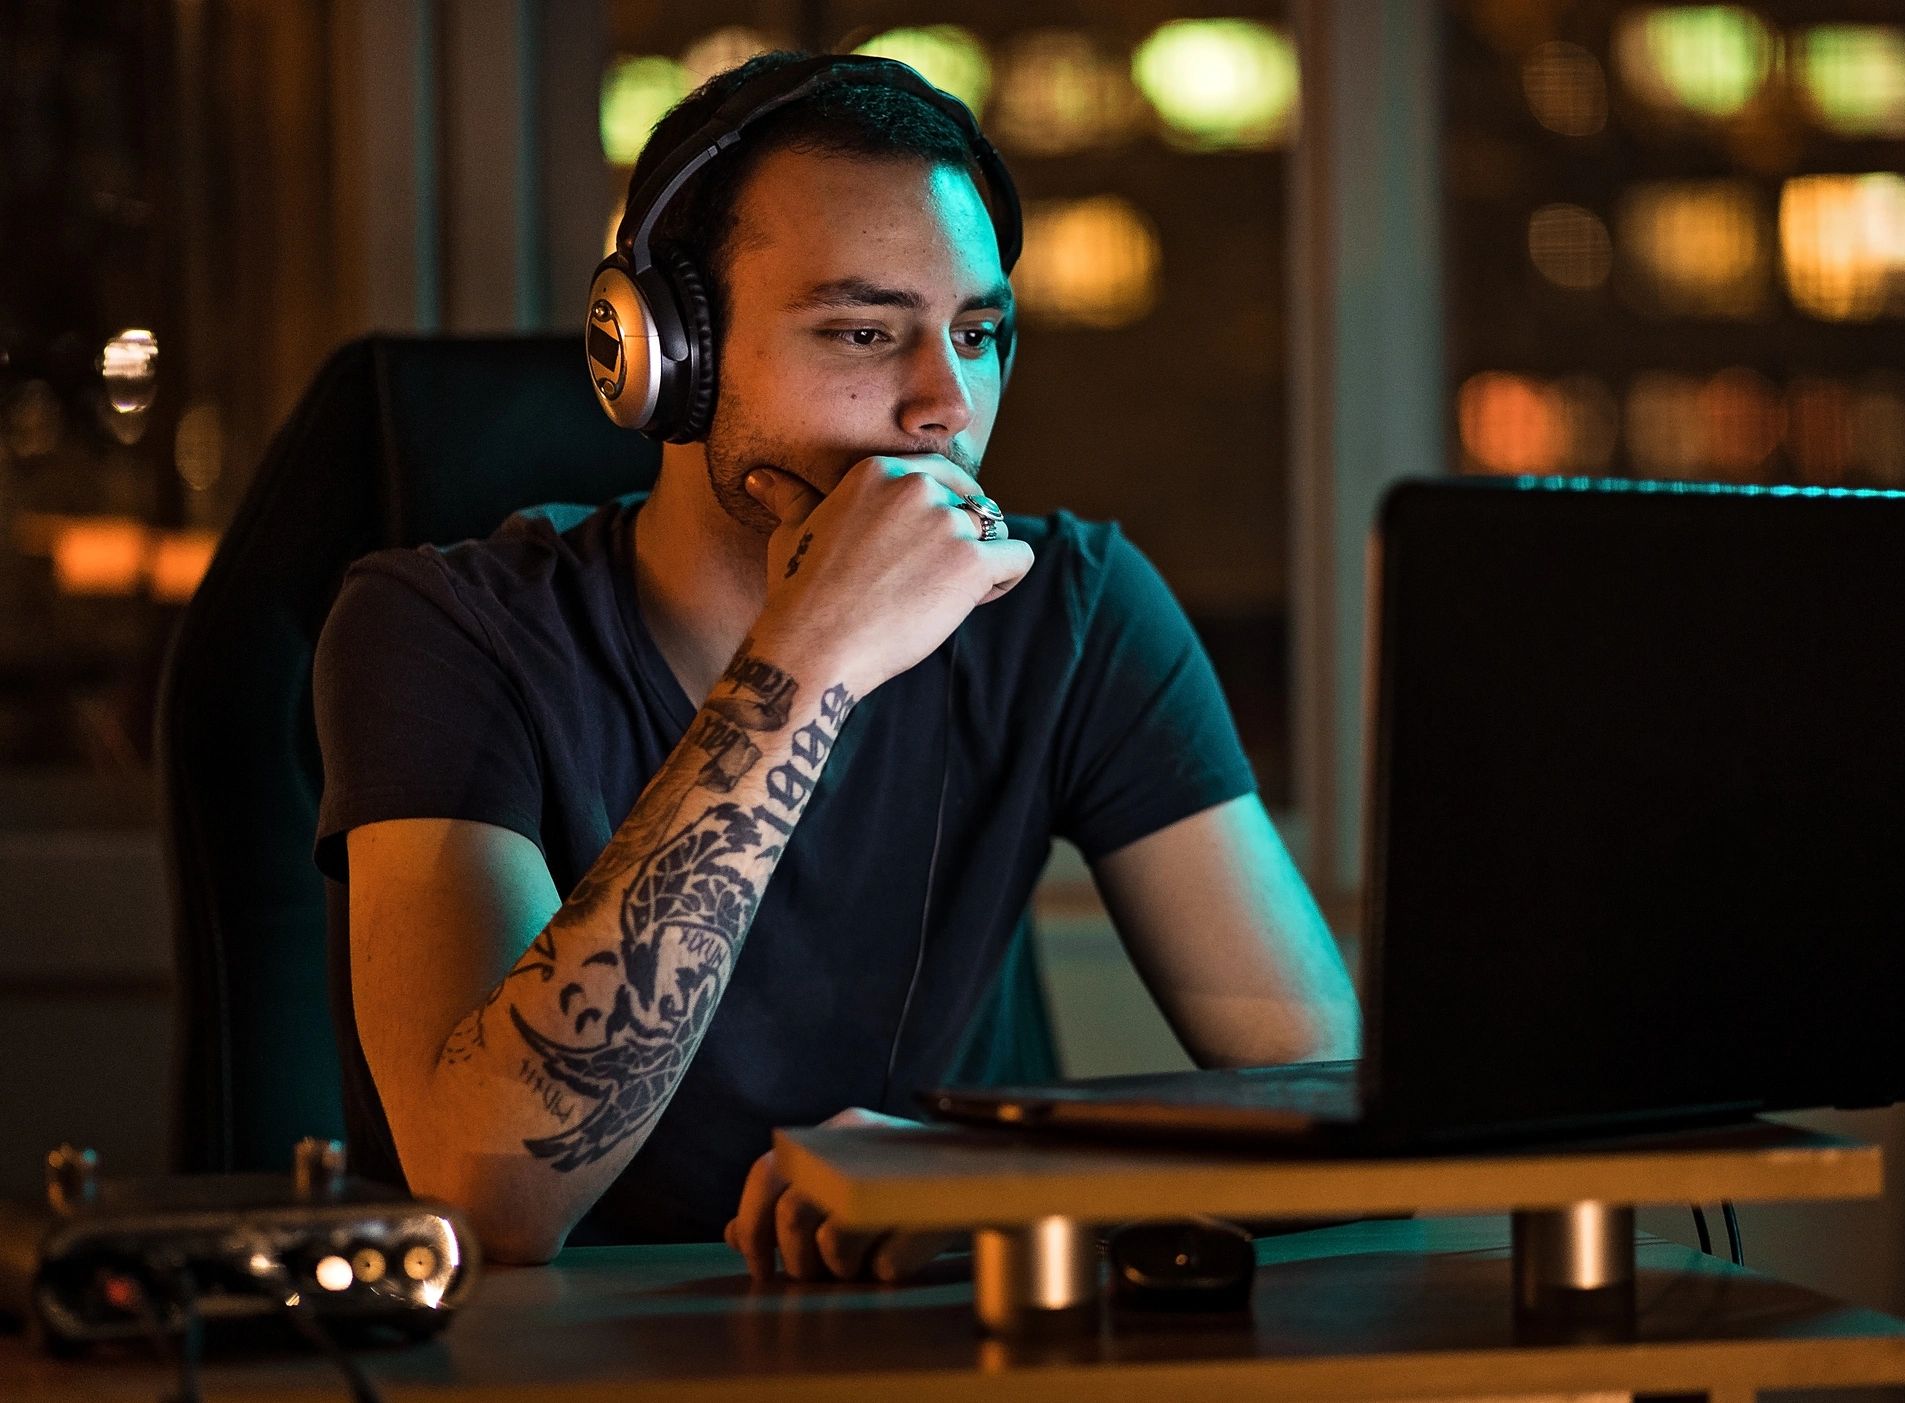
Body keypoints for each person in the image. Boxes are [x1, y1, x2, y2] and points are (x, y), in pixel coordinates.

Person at [312, 51, 1357, 1279]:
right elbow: (490, 1193)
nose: (947, 405)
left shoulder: (1067, 607)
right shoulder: (444, 629)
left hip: (965, 1358)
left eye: (977, 333)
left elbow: (1334, 1103)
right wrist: (812, 654)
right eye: (864, 331)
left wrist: (1002, 1188)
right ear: (665, 358)